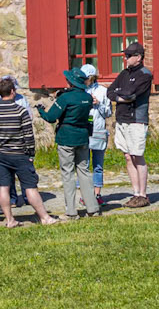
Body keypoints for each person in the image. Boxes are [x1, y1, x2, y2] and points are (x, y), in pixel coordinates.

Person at [0, 76, 61, 226]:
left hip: (0, 153)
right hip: (19, 154)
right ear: (12, 91)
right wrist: (31, 153)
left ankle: (9, 219)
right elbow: (28, 135)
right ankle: (45, 217)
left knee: (4, 186)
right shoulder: (20, 111)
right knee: (30, 186)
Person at [39, 68, 99, 220]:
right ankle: (92, 208)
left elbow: (51, 117)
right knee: (84, 172)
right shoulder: (87, 98)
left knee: (68, 174)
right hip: (83, 136)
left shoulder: (65, 98)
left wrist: (41, 111)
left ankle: (71, 211)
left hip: (67, 138)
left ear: (70, 82)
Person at [106, 42, 153, 208]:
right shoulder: (124, 74)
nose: (125, 58)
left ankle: (143, 194)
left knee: (137, 155)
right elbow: (110, 91)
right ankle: (135, 193)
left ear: (138, 57)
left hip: (136, 120)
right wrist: (120, 96)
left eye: (128, 56)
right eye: (125, 55)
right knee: (127, 156)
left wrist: (120, 95)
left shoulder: (145, 75)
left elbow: (131, 94)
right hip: (122, 118)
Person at [81, 63, 110, 210]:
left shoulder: (103, 91)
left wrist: (98, 104)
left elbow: (108, 113)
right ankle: (85, 195)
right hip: (83, 132)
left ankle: (97, 194)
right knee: (83, 165)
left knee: (98, 165)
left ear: (92, 78)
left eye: (86, 78)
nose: (84, 80)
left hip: (98, 131)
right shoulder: (79, 91)